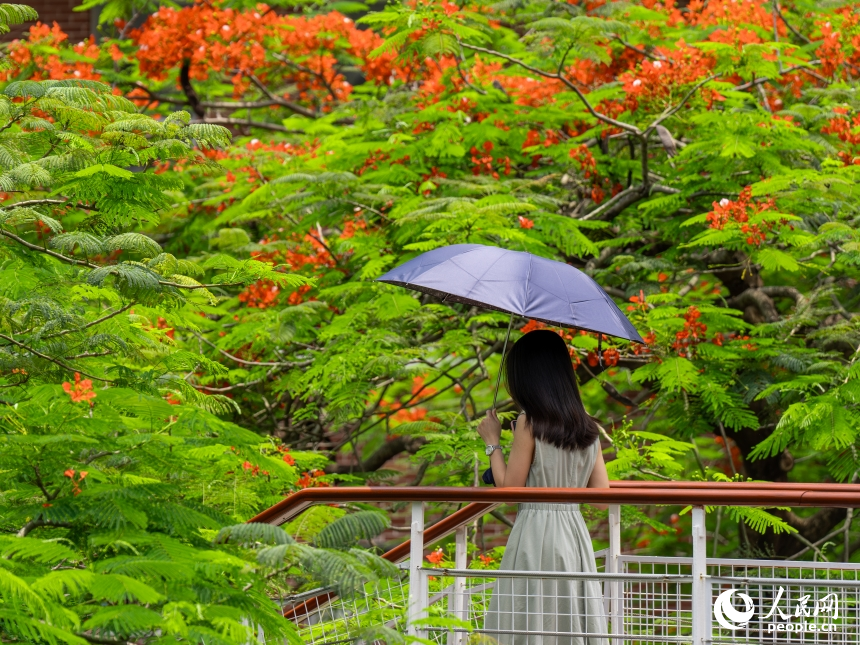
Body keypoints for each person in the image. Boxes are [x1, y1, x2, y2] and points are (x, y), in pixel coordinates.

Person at [477, 329, 610, 645]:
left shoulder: (529, 422)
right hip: (573, 533)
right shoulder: (587, 425)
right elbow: (603, 498)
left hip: (536, 531)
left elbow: (510, 490)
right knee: (569, 619)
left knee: (531, 615)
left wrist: (492, 442)